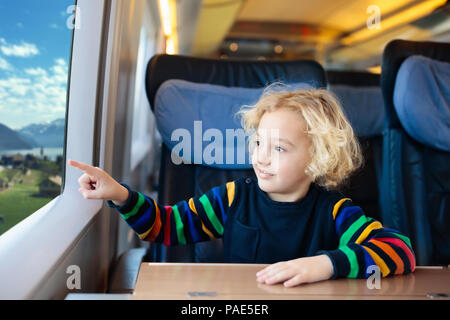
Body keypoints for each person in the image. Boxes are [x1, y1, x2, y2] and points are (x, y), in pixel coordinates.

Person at [68, 87, 415, 288]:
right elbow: (166, 225)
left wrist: (325, 264)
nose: (261, 158)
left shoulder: (335, 212)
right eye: (258, 143)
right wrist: (120, 195)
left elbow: (400, 251)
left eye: (278, 148)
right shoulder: (234, 197)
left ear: (317, 159)